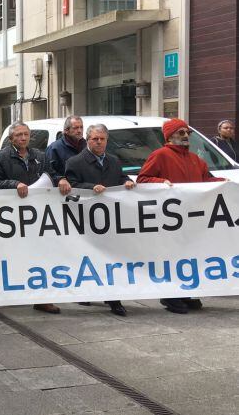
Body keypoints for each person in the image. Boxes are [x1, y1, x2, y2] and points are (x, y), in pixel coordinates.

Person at [137, 118, 225, 314]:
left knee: (190, 255)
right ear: (169, 136)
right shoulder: (159, 155)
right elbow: (143, 178)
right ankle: (170, 297)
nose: (186, 136)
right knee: (172, 256)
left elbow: (207, 180)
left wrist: (224, 182)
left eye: (188, 133)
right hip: (170, 219)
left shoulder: (195, 159)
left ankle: (186, 293)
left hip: (192, 218)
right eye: (182, 133)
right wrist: (161, 181)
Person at [0, 121, 62, 314]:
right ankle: (7, 292)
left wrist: (60, 180)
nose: (23, 138)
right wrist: (14, 184)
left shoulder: (40, 156)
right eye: (19, 135)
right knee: (12, 256)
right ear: (11, 138)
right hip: (11, 218)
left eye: (26, 135)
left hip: (37, 216)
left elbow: (51, 175)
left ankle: (42, 298)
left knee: (41, 256)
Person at [65, 124, 135, 316]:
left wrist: (126, 181)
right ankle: (86, 292)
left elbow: (120, 177)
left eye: (102, 139)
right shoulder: (75, 162)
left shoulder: (113, 160)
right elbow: (72, 185)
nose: (98, 142)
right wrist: (90, 187)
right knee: (89, 257)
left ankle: (114, 299)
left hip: (111, 219)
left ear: (107, 140)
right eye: (95, 139)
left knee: (111, 258)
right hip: (86, 220)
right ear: (87, 140)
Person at [46, 115, 85, 195]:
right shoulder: (55, 148)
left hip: (85, 192)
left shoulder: (87, 146)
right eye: (75, 128)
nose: (79, 131)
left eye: (81, 127)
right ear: (66, 130)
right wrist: (60, 179)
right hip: (64, 194)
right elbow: (47, 170)